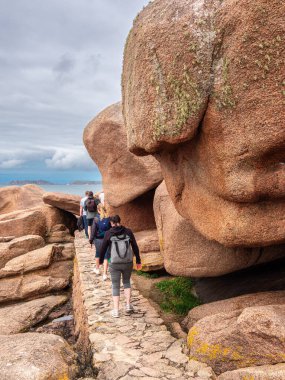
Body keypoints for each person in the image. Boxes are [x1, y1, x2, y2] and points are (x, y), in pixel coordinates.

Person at [99, 215, 142, 318]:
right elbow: (135, 246)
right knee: (127, 282)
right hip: (128, 262)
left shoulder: (108, 233)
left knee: (115, 285)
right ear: (119, 221)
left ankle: (116, 310)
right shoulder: (128, 232)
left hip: (114, 263)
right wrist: (138, 261)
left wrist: (100, 261)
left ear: (111, 223)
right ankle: (128, 305)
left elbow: (103, 248)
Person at [89, 204, 111, 281]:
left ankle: (97, 269)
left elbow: (93, 231)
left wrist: (91, 241)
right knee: (106, 256)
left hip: (98, 240)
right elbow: (110, 230)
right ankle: (105, 274)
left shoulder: (96, 219)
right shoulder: (108, 218)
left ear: (98, 210)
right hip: (107, 239)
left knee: (98, 254)